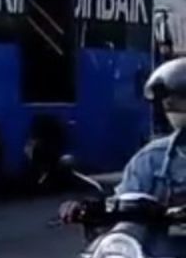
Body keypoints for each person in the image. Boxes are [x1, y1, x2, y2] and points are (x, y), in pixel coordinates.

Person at [60, 57, 186, 223]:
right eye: (168, 99)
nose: (169, 103)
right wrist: (87, 209)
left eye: (180, 96)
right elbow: (124, 203)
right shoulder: (151, 160)